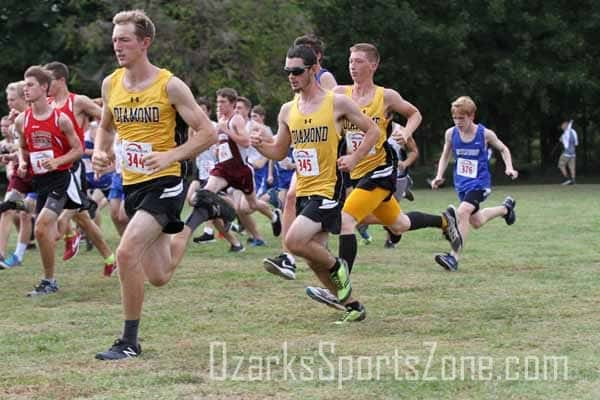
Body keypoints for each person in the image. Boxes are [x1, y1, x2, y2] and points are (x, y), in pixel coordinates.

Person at [92, 10, 231, 360]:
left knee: (125, 252)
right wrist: (100, 151)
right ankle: (202, 212)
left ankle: (129, 341)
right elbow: (107, 127)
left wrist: (171, 157)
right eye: (114, 40)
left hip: (166, 182)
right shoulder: (111, 84)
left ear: (144, 42)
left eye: (124, 39)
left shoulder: (169, 85)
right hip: (133, 183)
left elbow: (208, 133)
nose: (117, 46)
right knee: (159, 274)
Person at [304, 43, 462, 313]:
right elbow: (317, 96)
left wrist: (405, 132)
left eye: (359, 61)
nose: (352, 66)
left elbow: (414, 114)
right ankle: (445, 221)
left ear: (373, 65)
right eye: (350, 61)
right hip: (357, 172)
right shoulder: (341, 93)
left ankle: (341, 288)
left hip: (381, 171)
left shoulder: (385, 96)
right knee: (399, 224)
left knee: (345, 219)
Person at [252, 45, 381, 323]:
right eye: (288, 71)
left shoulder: (337, 102)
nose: (291, 76)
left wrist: (355, 157)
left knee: (294, 241)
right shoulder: (288, 110)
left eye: (297, 71)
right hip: (305, 190)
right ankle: (353, 306)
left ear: (312, 70)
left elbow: (373, 130)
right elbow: (279, 151)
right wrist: (262, 147)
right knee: (314, 259)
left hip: (329, 188)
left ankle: (340, 267)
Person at [263, 34, 337, 279]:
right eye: (289, 69)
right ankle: (343, 295)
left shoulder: (324, 78)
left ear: (316, 58)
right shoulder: (293, 100)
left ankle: (295, 256)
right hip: (308, 163)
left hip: (328, 166)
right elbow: (281, 144)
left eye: (303, 54)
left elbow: (335, 115)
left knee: (294, 200)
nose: (292, 73)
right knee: (314, 244)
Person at [14, 66, 83, 295]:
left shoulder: (60, 119)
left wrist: (58, 161)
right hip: (40, 181)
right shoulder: (22, 120)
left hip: (60, 179)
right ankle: (70, 228)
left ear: (44, 88)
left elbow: (78, 150)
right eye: (25, 85)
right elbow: (23, 147)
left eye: (31, 85)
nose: (26, 89)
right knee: (45, 234)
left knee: (42, 226)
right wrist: (23, 163)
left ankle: (49, 281)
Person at [431, 96, 518, 271]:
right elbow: (445, 155)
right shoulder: (451, 134)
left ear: (472, 116)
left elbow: (503, 149)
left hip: (480, 184)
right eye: (455, 118)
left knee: (462, 211)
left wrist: (509, 167)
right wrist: (439, 175)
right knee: (476, 221)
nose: (457, 122)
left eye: (461, 118)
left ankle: (453, 258)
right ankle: (506, 209)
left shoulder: (485, 134)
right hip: (461, 185)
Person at [557, 120, 578, 185]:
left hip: (566, 152)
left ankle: (567, 179)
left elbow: (561, 140)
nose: (562, 127)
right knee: (572, 167)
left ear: (566, 126)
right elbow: (576, 143)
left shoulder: (566, 133)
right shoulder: (574, 131)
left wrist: (562, 138)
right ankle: (573, 180)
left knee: (561, 165)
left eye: (562, 126)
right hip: (573, 153)